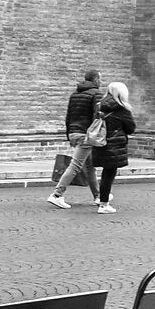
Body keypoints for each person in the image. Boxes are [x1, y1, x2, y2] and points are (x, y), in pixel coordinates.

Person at [46, 70, 101, 208]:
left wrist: (69, 134)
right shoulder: (96, 94)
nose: (100, 81)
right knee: (75, 165)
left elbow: (68, 116)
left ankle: (98, 196)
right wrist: (96, 135)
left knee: (90, 167)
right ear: (95, 79)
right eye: (100, 78)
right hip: (86, 135)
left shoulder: (75, 94)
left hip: (74, 132)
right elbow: (97, 117)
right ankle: (57, 194)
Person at [89, 81, 136, 214]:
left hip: (101, 143)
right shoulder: (122, 109)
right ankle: (104, 204)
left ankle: (102, 201)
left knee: (106, 174)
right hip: (115, 145)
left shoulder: (100, 106)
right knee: (109, 175)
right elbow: (131, 128)